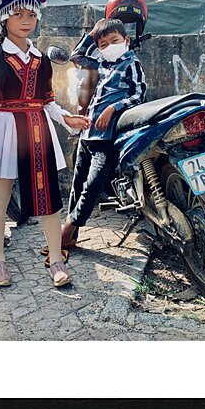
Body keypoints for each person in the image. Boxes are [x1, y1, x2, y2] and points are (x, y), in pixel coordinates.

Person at [0, 0, 90, 288]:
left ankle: (56, 261)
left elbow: (48, 100)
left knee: (48, 200)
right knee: (0, 198)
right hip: (7, 129)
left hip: (38, 131)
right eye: (19, 14)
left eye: (32, 16)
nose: (27, 21)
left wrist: (67, 120)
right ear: (4, 17)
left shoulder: (41, 59)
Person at [46, 18, 146, 256]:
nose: (109, 46)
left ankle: (68, 228)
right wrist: (92, 34)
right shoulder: (100, 64)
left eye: (115, 41)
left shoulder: (132, 64)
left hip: (108, 137)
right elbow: (77, 55)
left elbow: (140, 94)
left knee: (92, 185)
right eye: (104, 43)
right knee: (77, 185)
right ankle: (72, 237)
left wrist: (114, 108)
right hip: (87, 133)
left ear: (126, 41)